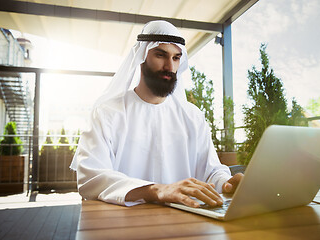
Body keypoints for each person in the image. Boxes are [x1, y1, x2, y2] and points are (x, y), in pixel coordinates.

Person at [70, 20, 243, 208]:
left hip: (186, 222)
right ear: (142, 56)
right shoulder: (107, 113)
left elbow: (210, 171)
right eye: (161, 55)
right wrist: (156, 190)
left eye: (176, 58)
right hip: (123, 222)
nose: (170, 66)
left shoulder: (192, 116)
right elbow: (91, 177)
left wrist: (226, 183)